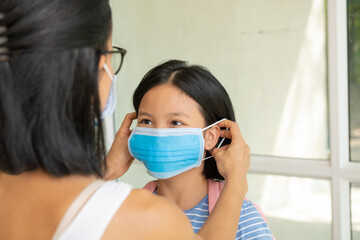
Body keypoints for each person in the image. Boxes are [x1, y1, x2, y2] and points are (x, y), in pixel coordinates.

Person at [0, 0, 250, 239]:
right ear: (98, 67)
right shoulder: (145, 216)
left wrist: (104, 172)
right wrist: (237, 181)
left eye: (175, 122)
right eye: (111, 53)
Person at [125, 60, 274, 239]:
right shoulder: (127, 211)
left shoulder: (244, 219)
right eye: (146, 121)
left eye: (175, 122)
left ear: (210, 136)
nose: (158, 134)